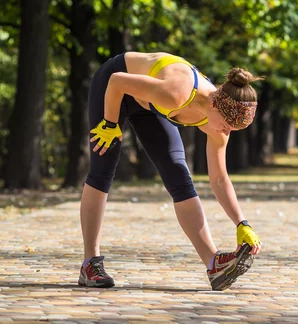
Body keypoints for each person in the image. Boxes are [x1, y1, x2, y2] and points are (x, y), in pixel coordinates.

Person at [78, 51, 263, 291]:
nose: (226, 132)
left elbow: (218, 178)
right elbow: (117, 81)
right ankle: (89, 263)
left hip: (150, 103)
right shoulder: (177, 92)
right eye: (226, 125)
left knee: (180, 177)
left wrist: (242, 223)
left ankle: (213, 263)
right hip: (115, 84)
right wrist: (110, 125)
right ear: (214, 103)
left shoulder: (218, 124)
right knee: (103, 168)